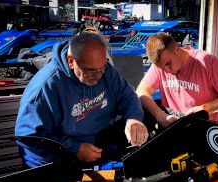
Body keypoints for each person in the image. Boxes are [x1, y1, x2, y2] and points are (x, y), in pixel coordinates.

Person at [15, 32, 149, 168]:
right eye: (90, 71)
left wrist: (133, 119)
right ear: (71, 61)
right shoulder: (44, 89)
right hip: (54, 161)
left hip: (95, 145)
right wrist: (74, 149)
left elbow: (128, 96)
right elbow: (29, 136)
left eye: (101, 69)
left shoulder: (106, 72)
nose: (98, 77)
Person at [136, 32, 218, 128]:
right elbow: (141, 92)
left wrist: (205, 108)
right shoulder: (161, 65)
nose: (167, 71)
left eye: (168, 64)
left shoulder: (206, 61)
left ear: (176, 49)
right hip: (176, 130)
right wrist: (159, 115)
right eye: (162, 68)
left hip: (205, 132)